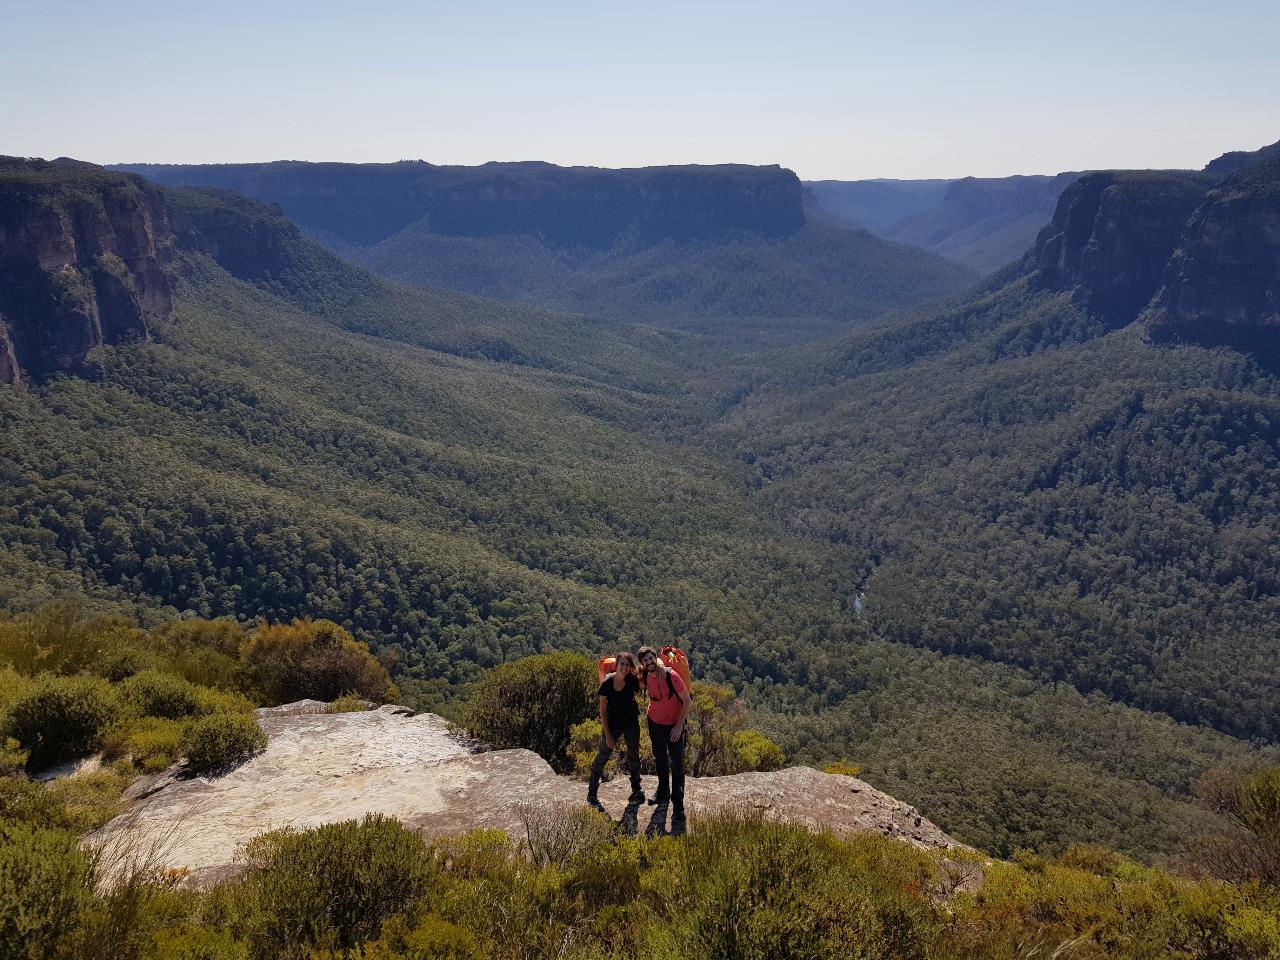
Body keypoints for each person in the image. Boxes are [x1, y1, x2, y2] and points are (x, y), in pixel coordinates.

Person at [637, 645, 691, 817]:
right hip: (654, 722)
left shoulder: (671, 676)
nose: (649, 662)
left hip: (673, 725)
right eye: (645, 661)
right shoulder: (645, 675)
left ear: (655, 658)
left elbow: (687, 701)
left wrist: (678, 726)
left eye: (650, 658)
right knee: (660, 759)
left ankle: (678, 804)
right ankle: (662, 793)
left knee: (677, 764)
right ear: (643, 664)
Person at [587, 651, 645, 809]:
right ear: (616, 665)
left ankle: (636, 789)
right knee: (603, 756)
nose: (624, 667)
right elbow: (603, 710)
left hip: (631, 723)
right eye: (622, 664)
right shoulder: (607, 682)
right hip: (613, 725)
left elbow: (641, 685)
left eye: (627, 664)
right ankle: (592, 792)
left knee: (634, 756)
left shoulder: (631, 679)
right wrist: (608, 734)